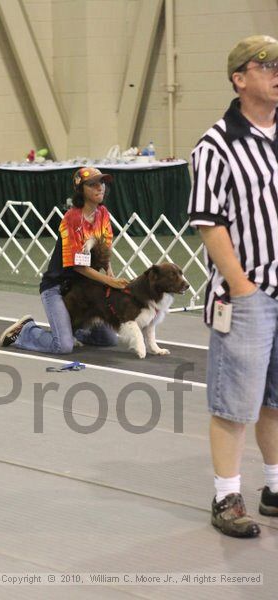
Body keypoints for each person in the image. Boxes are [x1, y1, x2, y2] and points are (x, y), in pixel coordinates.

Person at [188, 35, 278, 537]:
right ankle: (226, 497)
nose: (277, 72)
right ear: (239, 79)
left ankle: (274, 487)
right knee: (234, 402)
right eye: (266, 65)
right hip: (248, 295)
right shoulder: (216, 144)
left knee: (276, 398)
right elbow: (208, 222)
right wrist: (241, 287)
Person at [0, 167, 128, 354]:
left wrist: (110, 273)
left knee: (107, 339)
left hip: (84, 289)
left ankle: (69, 330)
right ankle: (26, 331)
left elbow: (105, 248)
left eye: (102, 183)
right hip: (57, 288)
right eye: (93, 184)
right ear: (80, 190)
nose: (100, 187)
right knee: (63, 346)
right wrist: (109, 282)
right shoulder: (72, 219)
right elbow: (79, 266)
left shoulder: (103, 213)